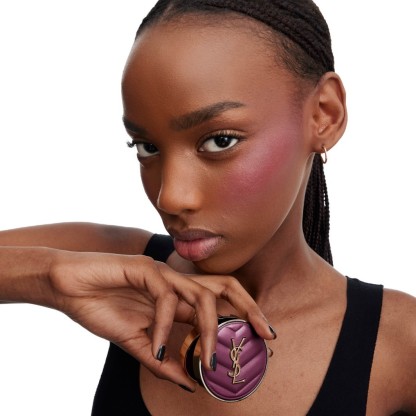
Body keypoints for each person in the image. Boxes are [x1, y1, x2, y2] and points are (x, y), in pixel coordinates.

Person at [1, 0, 415, 415]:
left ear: (324, 114)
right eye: (147, 147)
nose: (170, 197)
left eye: (220, 140)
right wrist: (51, 278)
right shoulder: (118, 268)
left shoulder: (399, 342)